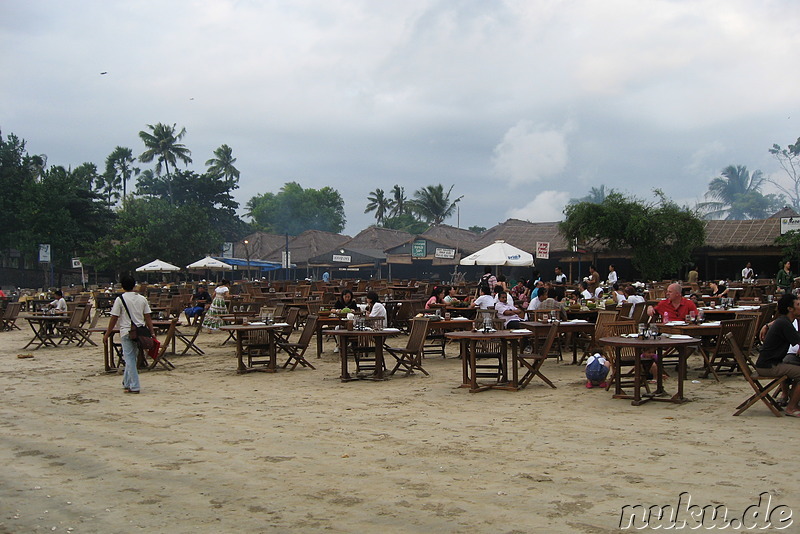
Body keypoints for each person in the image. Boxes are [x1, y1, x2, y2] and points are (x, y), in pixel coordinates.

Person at [105, 275, 154, 394]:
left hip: (126, 331)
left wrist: (107, 333)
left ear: (122, 286)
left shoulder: (120, 299)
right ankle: (126, 382)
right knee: (133, 357)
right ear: (134, 285)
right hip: (140, 332)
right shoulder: (142, 298)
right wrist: (152, 332)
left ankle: (135, 385)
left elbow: (114, 317)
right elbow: (148, 317)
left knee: (129, 358)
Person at [756, 293, 800, 417]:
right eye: (797, 304)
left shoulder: (784, 321)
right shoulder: (784, 323)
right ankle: (791, 407)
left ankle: (793, 403)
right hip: (769, 366)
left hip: (768, 364)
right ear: (790, 309)